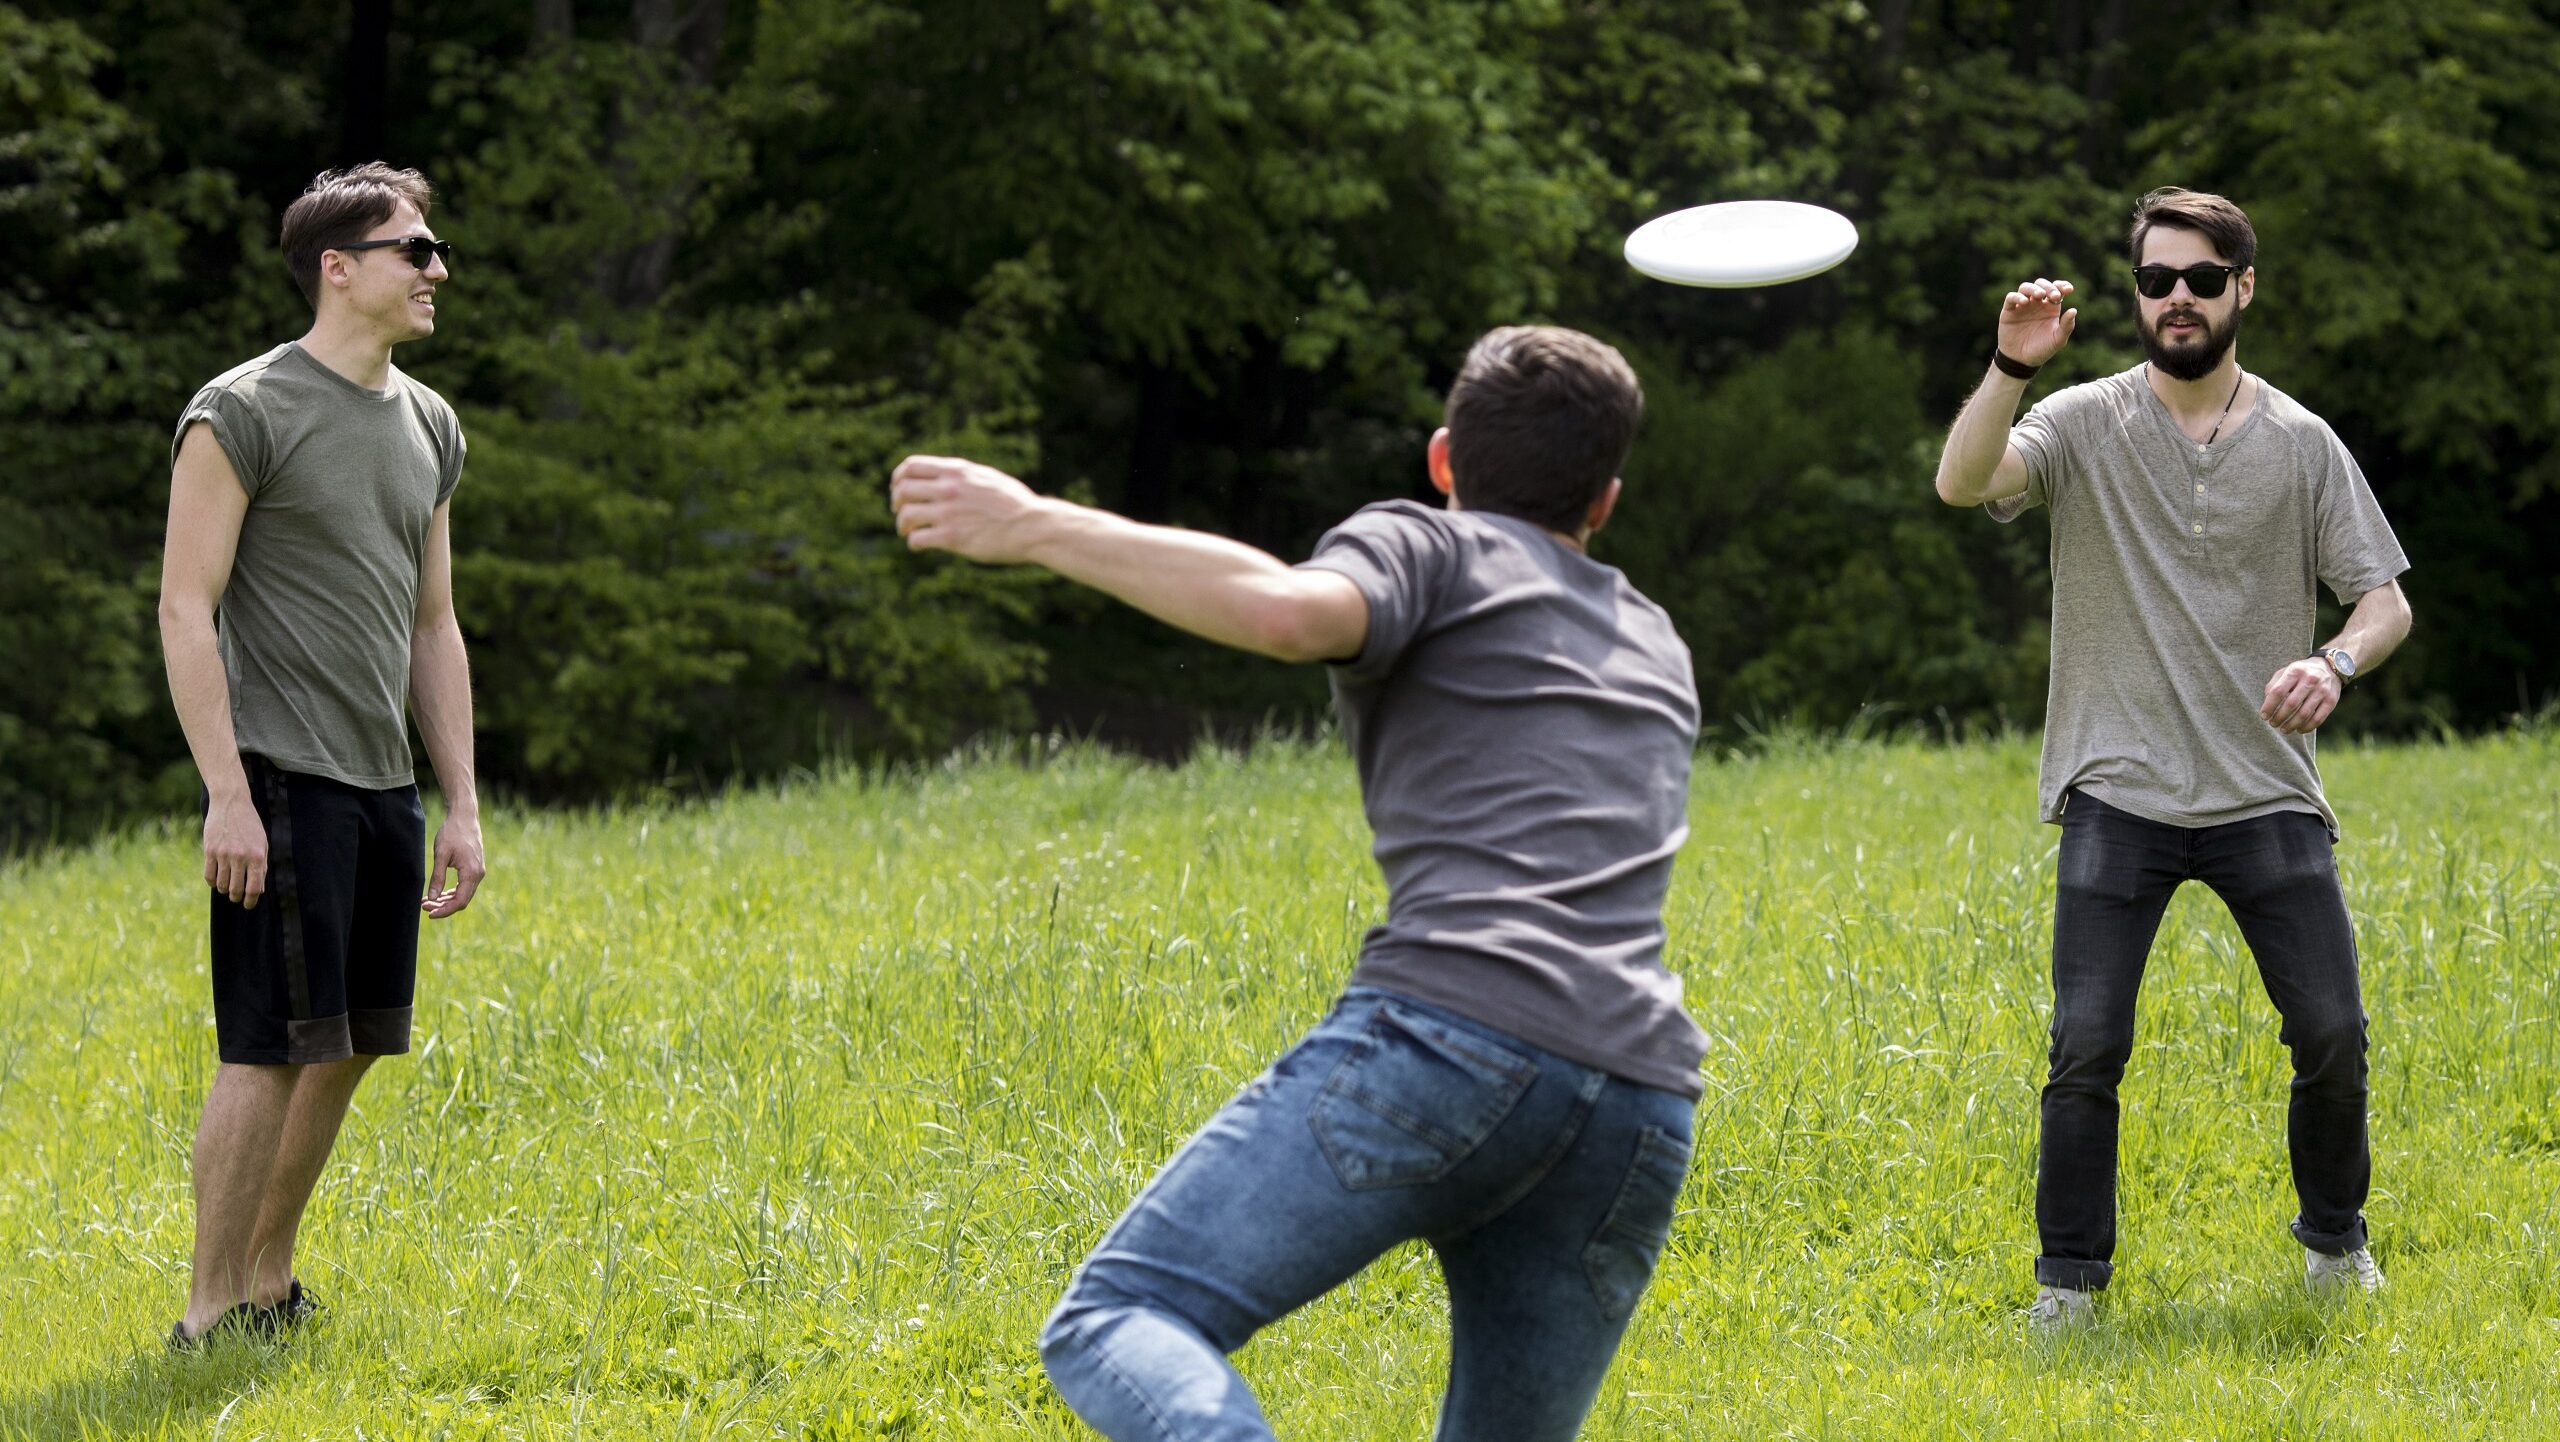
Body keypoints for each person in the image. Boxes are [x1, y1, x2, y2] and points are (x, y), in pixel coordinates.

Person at [891, 325, 1703, 1439]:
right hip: (1639, 1102)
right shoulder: (1651, 637)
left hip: (1452, 1039)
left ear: (1441, 462)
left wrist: (1032, 523)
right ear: (1605, 501)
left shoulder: (1429, 546)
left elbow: (1288, 611)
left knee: (1123, 1310)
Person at [1932, 187, 2413, 1328]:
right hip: (2118, 789)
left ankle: (2334, 1244)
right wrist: (2009, 367)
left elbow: (2382, 600)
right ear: (2135, 293)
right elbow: (1961, 481)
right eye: (2156, 280)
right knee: (2086, 1043)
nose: (2177, 299)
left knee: (2333, 1034)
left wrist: (2334, 664)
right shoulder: (2082, 423)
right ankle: (2068, 1287)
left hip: (2263, 793)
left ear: (2243, 287)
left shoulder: (2301, 442)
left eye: (2201, 278)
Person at [157, 163, 485, 1347]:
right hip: (279, 775)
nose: (438, 267)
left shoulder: (431, 423)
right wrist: (227, 794)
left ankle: (266, 1281)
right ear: (336, 267)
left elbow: (431, 620)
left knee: (348, 1045)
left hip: (383, 785)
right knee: (265, 1047)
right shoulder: (241, 409)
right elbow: (185, 607)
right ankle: (204, 1310)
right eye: (416, 247)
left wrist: (460, 799)